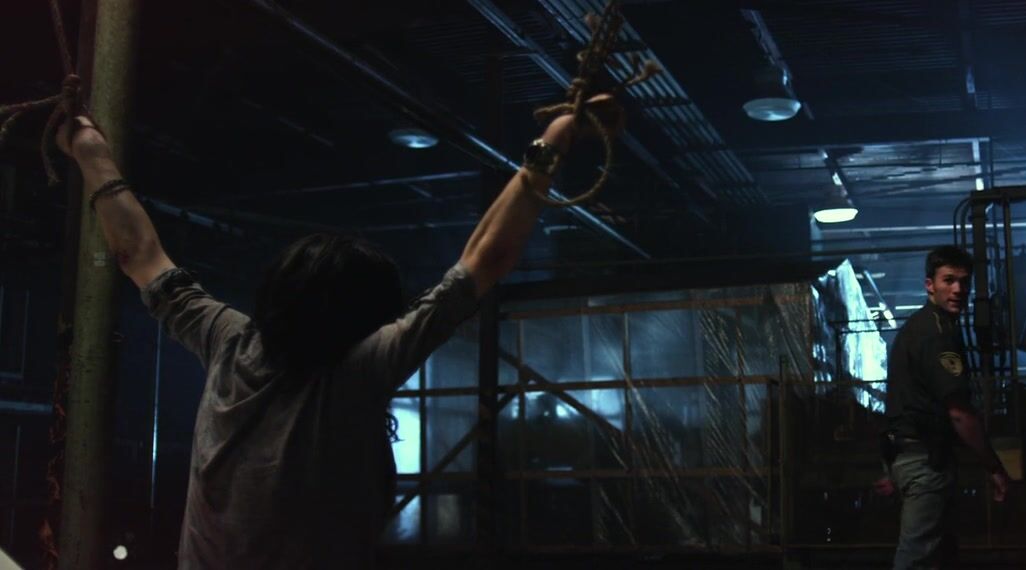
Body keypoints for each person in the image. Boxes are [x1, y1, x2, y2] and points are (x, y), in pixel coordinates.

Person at [56, 95, 619, 568]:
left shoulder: (228, 340)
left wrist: (91, 153)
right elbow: (483, 261)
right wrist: (553, 142)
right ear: (369, 314)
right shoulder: (362, 368)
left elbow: (138, 253)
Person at [879, 245, 1010, 569]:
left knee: (937, 554)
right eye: (948, 280)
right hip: (925, 462)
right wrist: (993, 466)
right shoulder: (937, 335)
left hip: (910, 456)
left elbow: (901, 401)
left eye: (964, 282)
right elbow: (959, 414)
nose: (958, 289)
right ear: (930, 285)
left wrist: (891, 466)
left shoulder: (918, 328)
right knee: (917, 557)